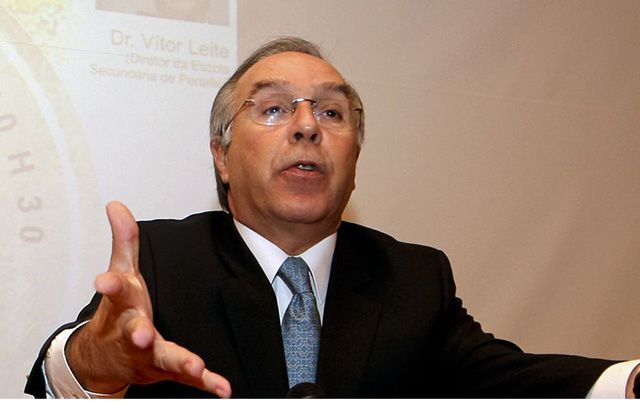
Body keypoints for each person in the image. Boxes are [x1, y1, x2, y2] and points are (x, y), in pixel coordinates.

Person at [24, 37, 639, 398]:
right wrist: (96, 362)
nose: (307, 126)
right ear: (222, 156)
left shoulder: (411, 277)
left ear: (355, 157)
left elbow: (506, 380)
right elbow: (48, 384)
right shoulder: (163, 260)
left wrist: (631, 382)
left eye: (332, 113)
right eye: (273, 109)